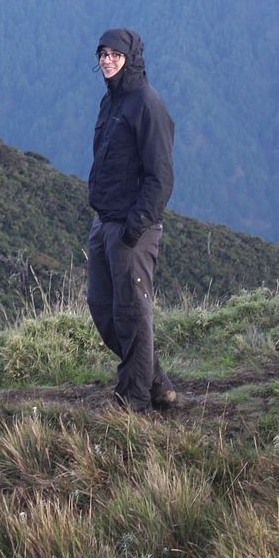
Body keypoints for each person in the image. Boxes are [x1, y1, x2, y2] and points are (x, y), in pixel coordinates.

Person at [87, 28, 179, 412]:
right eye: (103, 54)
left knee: (132, 313)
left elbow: (161, 177)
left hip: (131, 230)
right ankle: (156, 383)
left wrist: (134, 227)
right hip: (105, 222)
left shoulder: (147, 104)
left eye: (115, 54)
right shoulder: (112, 102)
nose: (107, 60)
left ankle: (134, 401)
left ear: (132, 57)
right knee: (103, 307)